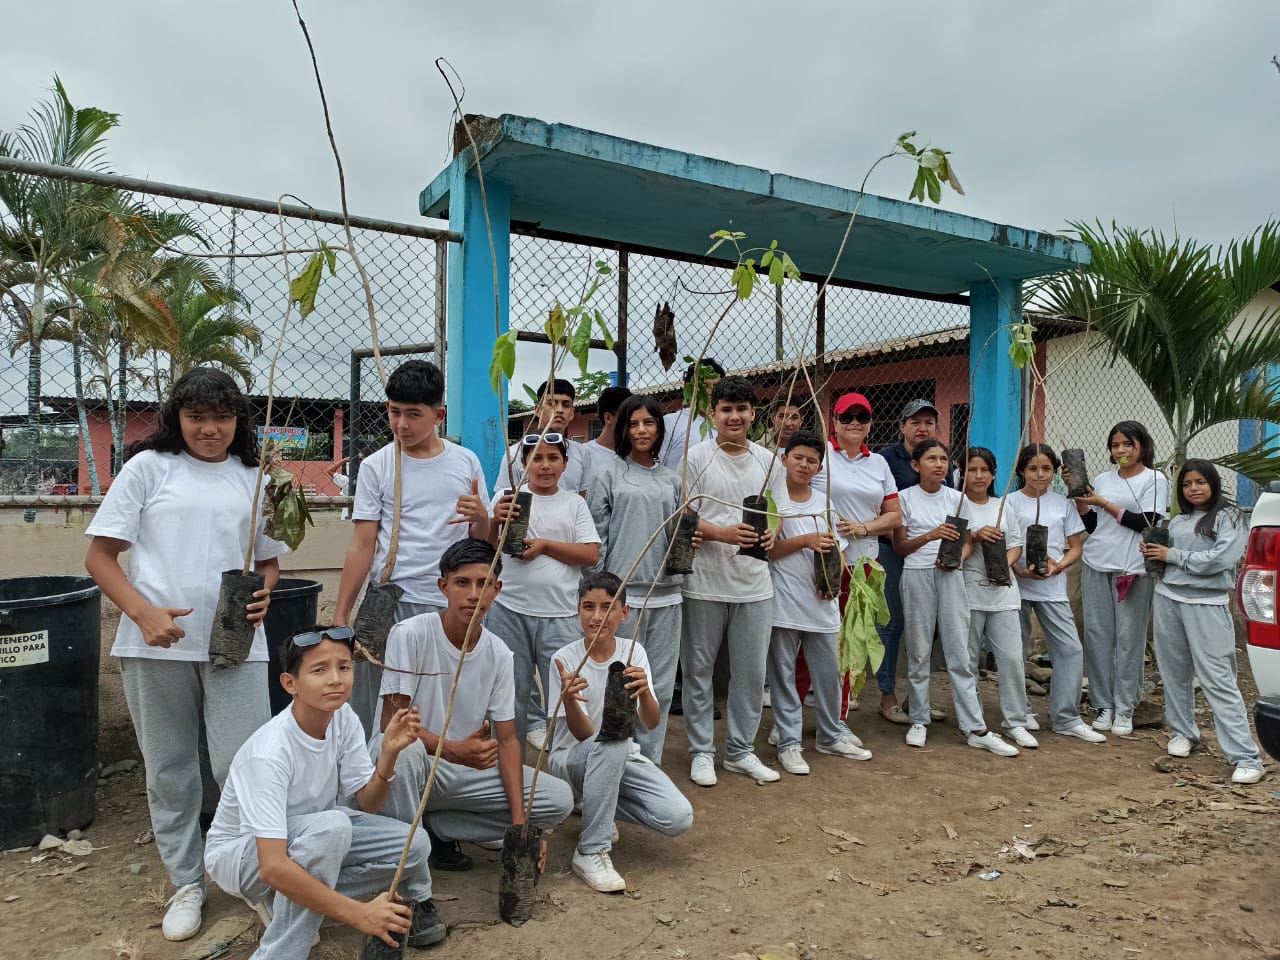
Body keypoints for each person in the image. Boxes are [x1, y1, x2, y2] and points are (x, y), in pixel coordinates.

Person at [84, 367, 287, 942]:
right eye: (197, 417)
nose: (210, 429)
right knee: (170, 768)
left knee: (244, 766)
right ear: (177, 417)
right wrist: (143, 613)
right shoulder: (148, 468)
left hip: (235, 643)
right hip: (155, 646)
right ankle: (187, 882)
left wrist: (267, 590)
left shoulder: (255, 477)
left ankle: (256, 879)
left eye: (222, 418)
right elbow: (100, 557)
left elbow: (268, 561)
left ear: (239, 421)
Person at [203, 626, 445, 958]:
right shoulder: (269, 754)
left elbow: (368, 803)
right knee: (332, 827)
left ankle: (290, 896)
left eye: (344, 667)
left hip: (314, 833)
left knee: (415, 846)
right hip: (244, 854)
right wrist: (358, 913)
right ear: (290, 684)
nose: (335, 679)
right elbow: (272, 865)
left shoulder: (342, 717)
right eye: (319, 670)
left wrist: (388, 755)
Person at [372, 538, 574, 873]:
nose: (473, 594)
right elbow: (390, 724)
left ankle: (437, 827)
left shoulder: (499, 653)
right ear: (444, 587)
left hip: (461, 770)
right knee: (405, 752)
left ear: (497, 589)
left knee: (558, 799)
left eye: (484, 584)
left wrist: (520, 828)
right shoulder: (410, 634)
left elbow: (507, 740)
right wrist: (452, 750)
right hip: (415, 767)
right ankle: (404, 862)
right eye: (462, 583)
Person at [333, 360, 492, 739]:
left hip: (449, 604)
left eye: (414, 414)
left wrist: (481, 517)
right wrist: (341, 615)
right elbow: (363, 544)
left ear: (439, 415)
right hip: (390, 603)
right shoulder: (377, 466)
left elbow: (482, 542)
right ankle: (375, 769)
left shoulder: (465, 462)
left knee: (449, 702)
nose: (402, 425)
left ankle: (444, 769)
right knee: (380, 705)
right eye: (395, 412)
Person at [546, 572, 694, 893]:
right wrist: (569, 699)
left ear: (624, 613)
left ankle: (596, 802)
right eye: (588, 606)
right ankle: (591, 850)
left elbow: (650, 722)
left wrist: (645, 693)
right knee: (613, 739)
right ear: (578, 610)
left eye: (608, 607)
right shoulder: (565, 659)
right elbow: (583, 733)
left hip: (619, 755)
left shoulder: (633, 651)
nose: (597, 616)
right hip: (571, 760)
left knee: (678, 817)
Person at [680, 375, 781, 786]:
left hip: (754, 584)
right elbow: (685, 516)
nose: (734, 417)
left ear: (753, 414)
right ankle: (702, 752)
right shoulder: (696, 458)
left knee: (751, 674)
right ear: (712, 414)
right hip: (704, 582)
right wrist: (722, 533)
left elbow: (775, 513)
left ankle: (740, 751)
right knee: (698, 670)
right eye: (726, 409)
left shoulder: (768, 460)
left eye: (741, 409)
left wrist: (772, 534)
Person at [1139, 460, 1264, 784]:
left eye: (1200, 482)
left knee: (1218, 679)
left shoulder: (1230, 517)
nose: (1193, 489)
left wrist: (1172, 556)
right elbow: (1169, 560)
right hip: (1168, 598)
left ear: (1213, 484)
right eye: (1186, 484)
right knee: (1173, 672)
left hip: (1206, 604)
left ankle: (1246, 757)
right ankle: (1183, 732)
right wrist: (1153, 551)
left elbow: (1220, 560)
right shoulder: (1179, 520)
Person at [893, 439, 1018, 757]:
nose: (938, 464)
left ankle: (975, 728)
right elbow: (900, 548)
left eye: (943, 459)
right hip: (917, 574)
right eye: (931, 459)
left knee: (959, 651)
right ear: (915, 465)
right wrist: (931, 535)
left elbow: (968, 540)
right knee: (919, 650)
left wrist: (957, 559)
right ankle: (918, 719)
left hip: (950, 576)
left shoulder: (957, 498)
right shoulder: (904, 498)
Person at [587, 393, 687, 763]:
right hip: (624, 597)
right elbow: (597, 534)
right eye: (633, 424)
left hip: (668, 594)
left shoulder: (672, 480)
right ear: (622, 429)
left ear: (659, 428)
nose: (641, 430)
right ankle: (616, 760)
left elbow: (677, 536)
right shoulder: (608, 473)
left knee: (658, 682)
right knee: (620, 680)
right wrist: (601, 592)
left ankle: (650, 762)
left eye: (649, 423)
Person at [767, 431, 872, 775]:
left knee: (829, 673)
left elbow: (836, 549)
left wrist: (834, 585)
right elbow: (769, 551)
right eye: (798, 458)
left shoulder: (825, 502)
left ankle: (830, 734)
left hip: (822, 603)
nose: (804, 465)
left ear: (819, 468)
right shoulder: (774, 500)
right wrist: (804, 540)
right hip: (784, 602)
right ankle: (788, 741)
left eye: (812, 460)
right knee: (783, 675)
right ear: (784, 460)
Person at [490, 434, 601, 750]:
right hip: (508, 610)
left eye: (553, 458)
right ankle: (507, 764)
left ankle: (567, 764)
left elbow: (590, 554)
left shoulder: (574, 504)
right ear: (523, 464)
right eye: (536, 458)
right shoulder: (507, 498)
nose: (545, 466)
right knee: (510, 692)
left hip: (560, 615)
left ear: (565, 464)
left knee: (565, 693)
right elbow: (484, 544)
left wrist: (545, 546)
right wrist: (493, 519)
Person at [1070, 420, 1170, 737]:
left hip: (1133, 569)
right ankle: (1103, 705)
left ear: (1142, 446)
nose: (1121, 450)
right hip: (1097, 562)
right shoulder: (1102, 479)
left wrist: (1103, 502)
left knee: (1129, 639)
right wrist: (1082, 501)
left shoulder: (1155, 479)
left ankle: (1125, 707)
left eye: (1128, 444)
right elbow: (1094, 525)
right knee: (1097, 636)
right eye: (1115, 445)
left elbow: (1146, 522)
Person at [806, 392, 900, 718]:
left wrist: (864, 527)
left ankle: (840, 715)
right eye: (847, 417)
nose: (855, 423)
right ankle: (792, 716)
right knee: (814, 633)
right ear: (834, 421)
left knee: (853, 637)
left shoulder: (879, 463)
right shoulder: (821, 456)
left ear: (871, 423)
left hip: (864, 563)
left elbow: (894, 516)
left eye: (862, 417)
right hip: (825, 559)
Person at [1005, 444, 1106, 743]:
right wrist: (1018, 570)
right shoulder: (1009, 503)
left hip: (1052, 588)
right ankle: (1020, 710)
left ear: (1055, 473)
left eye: (1046, 469)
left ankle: (1066, 717)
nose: (1040, 475)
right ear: (1021, 471)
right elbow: (1003, 545)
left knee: (1070, 650)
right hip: (1016, 587)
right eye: (1033, 468)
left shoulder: (1063, 504)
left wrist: (1058, 566)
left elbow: (1076, 546)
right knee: (1015, 650)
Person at [875, 399, 952, 727]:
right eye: (915, 422)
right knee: (892, 623)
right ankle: (887, 694)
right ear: (902, 426)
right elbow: (878, 505)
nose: (922, 428)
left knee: (930, 627)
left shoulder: (941, 461)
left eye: (929, 422)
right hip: (891, 551)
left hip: (932, 557)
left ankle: (917, 698)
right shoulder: (885, 459)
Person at [958, 447, 1037, 749]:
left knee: (1012, 659)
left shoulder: (1003, 505)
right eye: (972, 469)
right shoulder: (957, 504)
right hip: (967, 593)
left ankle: (1015, 721)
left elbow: (1016, 544)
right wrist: (974, 536)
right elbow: (953, 546)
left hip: (1003, 593)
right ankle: (973, 723)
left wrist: (1003, 563)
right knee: (967, 661)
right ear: (962, 472)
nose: (978, 476)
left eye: (985, 470)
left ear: (994, 475)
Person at [495, 378, 591, 496]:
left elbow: (582, 496)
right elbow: (505, 499)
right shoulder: (515, 454)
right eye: (552, 404)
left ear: (572, 413)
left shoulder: (581, 453)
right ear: (538, 410)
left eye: (566, 405)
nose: (559, 410)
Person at [659, 358, 725, 470]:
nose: (710, 392)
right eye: (704, 386)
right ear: (688, 387)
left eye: (716, 386)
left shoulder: (726, 424)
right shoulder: (671, 423)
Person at [577, 385, 631, 481]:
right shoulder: (584, 454)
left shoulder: (637, 454)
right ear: (608, 418)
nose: (632, 422)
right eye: (627, 416)